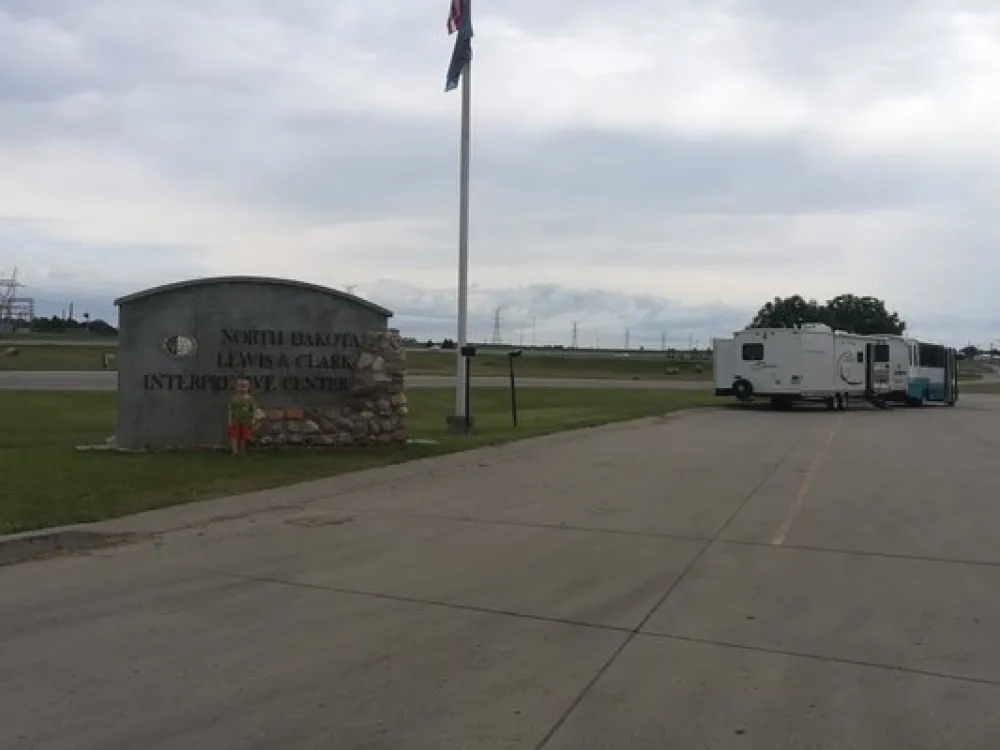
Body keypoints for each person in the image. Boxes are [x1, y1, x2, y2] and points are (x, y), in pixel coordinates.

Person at [227, 377, 256, 456]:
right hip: (235, 420)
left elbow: (253, 410)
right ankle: (234, 451)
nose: (242, 388)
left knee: (244, 437)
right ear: (237, 387)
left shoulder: (251, 398)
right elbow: (230, 410)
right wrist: (229, 420)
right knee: (234, 436)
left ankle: (242, 451)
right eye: (240, 386)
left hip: (246, 420)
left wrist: (253, 419)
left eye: (245, 386)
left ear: (248, 387)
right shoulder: (234, 398)